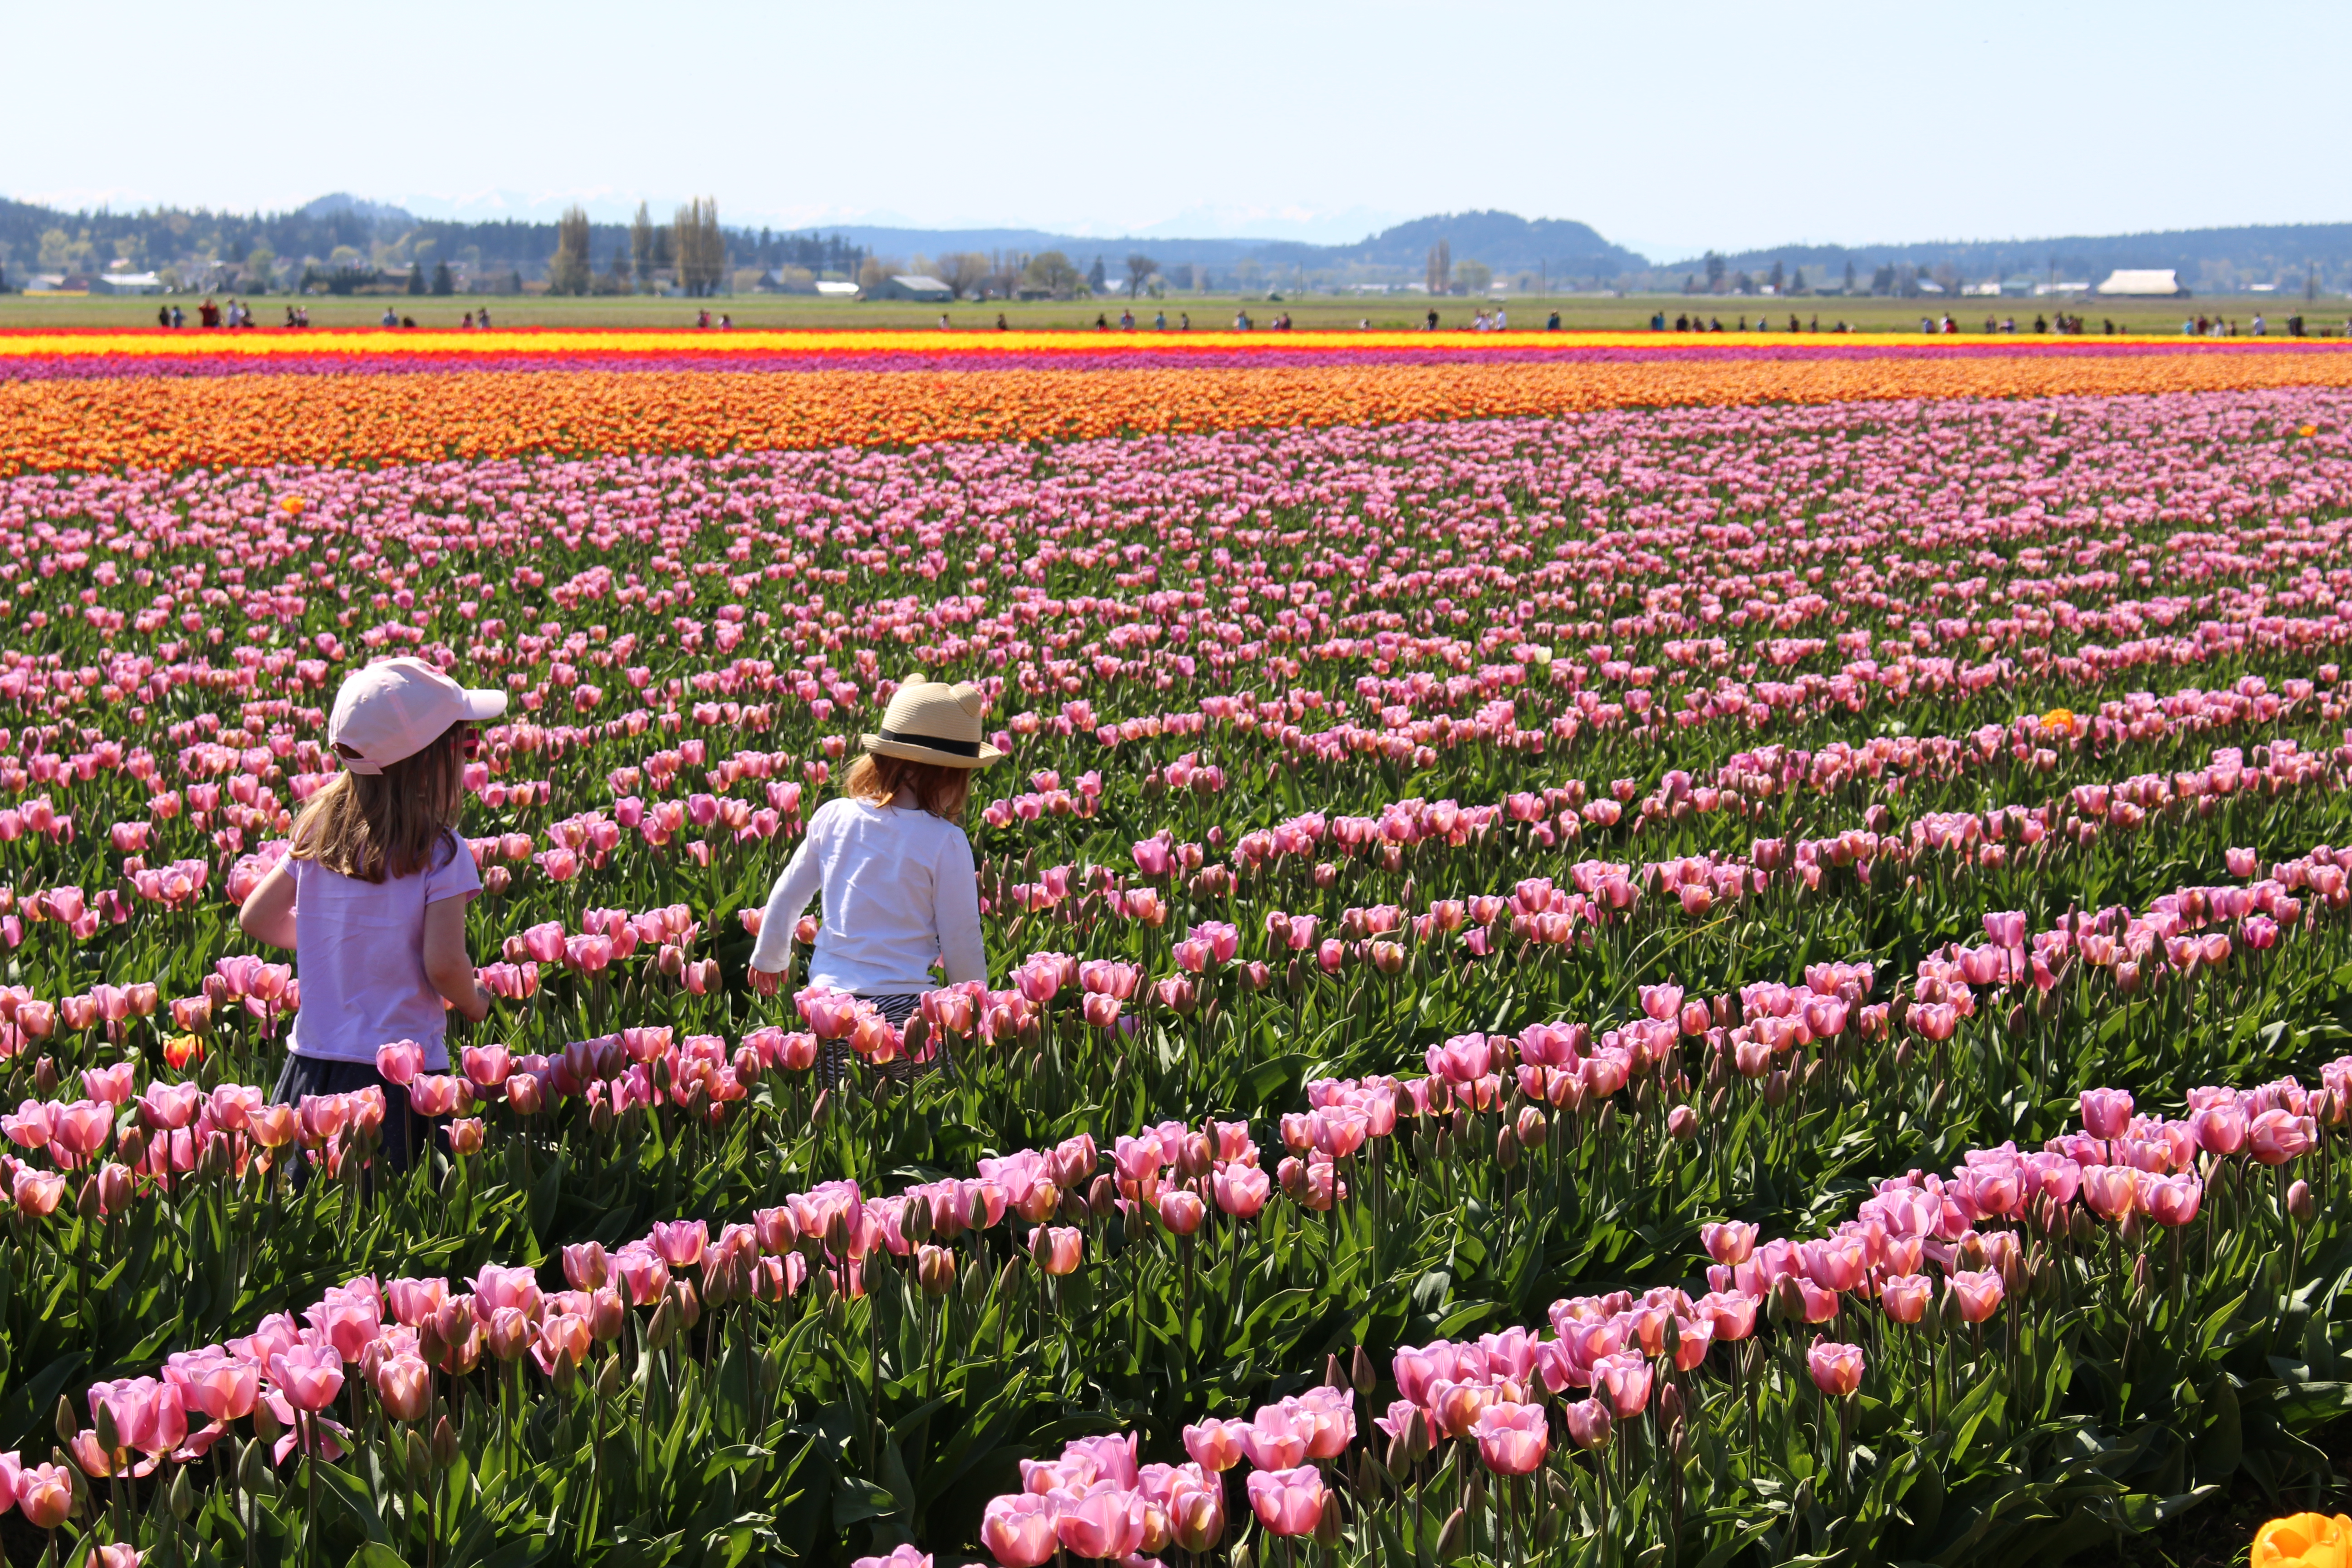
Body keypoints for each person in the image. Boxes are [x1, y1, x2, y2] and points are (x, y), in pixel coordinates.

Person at [235, 657, 506, 1174]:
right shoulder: (441, 852)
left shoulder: (318, 834)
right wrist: (476, 1002)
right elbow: (445, 965)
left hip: (313, 1069)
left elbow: (257, 917)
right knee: (397, 1222)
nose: (472, 759)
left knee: (319, 1221)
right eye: (467, 746)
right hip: (401, 1084)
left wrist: (335, 943)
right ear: (429, 762)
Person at [745, 679, 1001, 1082]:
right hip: (902, 1016)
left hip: (830, 1009)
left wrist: (770, 957)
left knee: (838, 1113)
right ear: (947, 777)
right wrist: (974, 1008)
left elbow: (788, 894)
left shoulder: (833, 817)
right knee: (915, 1109)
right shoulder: (946, 841)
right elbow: (961, 937)